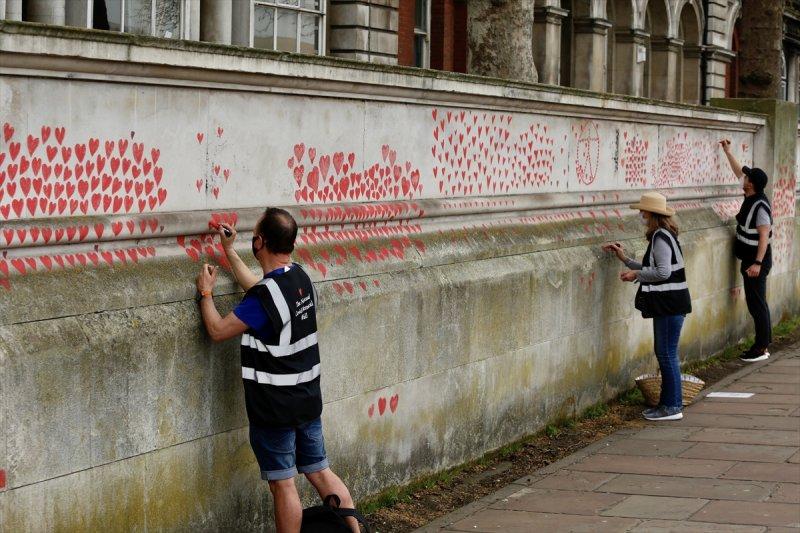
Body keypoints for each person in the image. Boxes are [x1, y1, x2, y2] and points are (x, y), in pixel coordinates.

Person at [195, 207, 359, 533]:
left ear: (260, 242)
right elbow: (259, 289)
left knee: (283, 485)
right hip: (307, 402)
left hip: (275, 410)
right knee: (320, 472)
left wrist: (205, 293)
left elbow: (216, 330)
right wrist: (229, 251)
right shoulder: (299, 277)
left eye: (254, 235)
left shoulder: (265, 298)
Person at [603, 192, 692, 421]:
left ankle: (672, 407)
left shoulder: (661, 237)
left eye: (643, 211)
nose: (640, 215)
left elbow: (662, 272)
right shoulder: (664, 235)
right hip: (670, 304)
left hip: (668, 304)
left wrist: (636, 274)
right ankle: (668, 404)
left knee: (666, 354)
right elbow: (653, 266)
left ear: (651, 214)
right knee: (665, 353)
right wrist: (625, 259)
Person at [720, 140, 773, 362]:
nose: (744, 178)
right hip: (750, 260)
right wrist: (727, 151)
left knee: (757, 303)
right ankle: (762, 345)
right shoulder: (750, 195)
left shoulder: (760, 206)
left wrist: (757, 264)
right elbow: (737, 169)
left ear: (751, 184)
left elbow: (764, 237)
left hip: (756, 262)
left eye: (747, 178)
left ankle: (761, 348)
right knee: (755, 302)